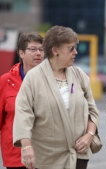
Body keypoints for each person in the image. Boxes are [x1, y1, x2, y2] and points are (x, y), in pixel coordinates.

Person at [13, 25, 100, 169]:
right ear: (55, 50)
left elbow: (92, 110)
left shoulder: (79, 75)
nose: (75, 52)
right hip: (47, 159)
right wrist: (26, 147)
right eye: (71, 48)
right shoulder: (33, 78)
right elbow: (23, 114)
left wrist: (89, 135)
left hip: (79, 155)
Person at [0, 32, 44, 169]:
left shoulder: (52, 80)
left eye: (41, 49)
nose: (38, 53)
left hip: (46, 155)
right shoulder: (6, 81)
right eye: (33, 49)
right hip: (15, 157)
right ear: (21, 53)